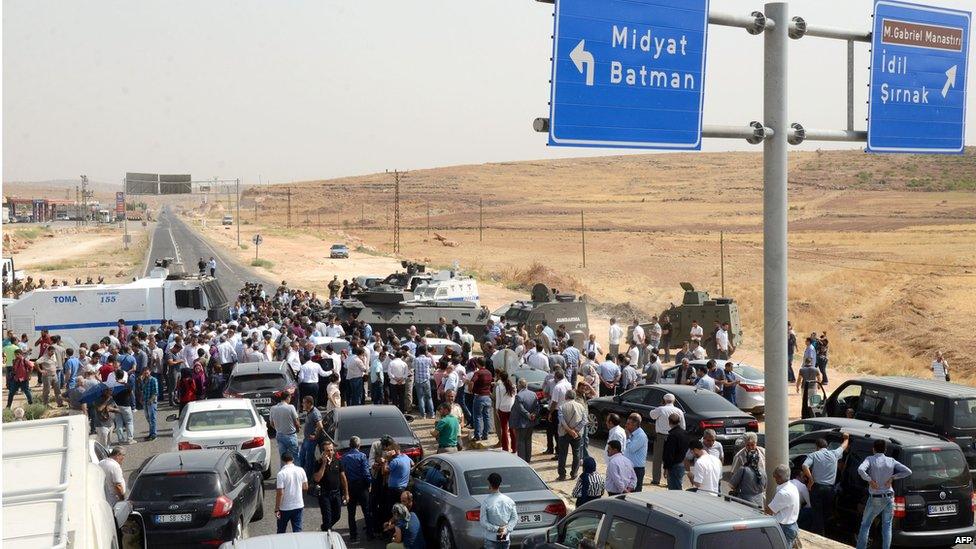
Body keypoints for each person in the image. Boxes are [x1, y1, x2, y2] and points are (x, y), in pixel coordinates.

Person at [855, 439, 912, 549]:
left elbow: (860, 469)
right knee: (887, 526)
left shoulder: (870, 459)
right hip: (889, 497)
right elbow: (908, 471)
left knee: (865, 525)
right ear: (885, 450)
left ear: (873, 449)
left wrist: (870, 480)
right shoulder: (891, 460)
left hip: (875, 497)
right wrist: (893, 477)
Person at [802, 433, 850, 535]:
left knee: (817, 514)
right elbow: (844, 446)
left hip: (817, 488)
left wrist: (810, 480)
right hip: (830, 490)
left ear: (817, 447)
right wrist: (846, 438)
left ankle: (818, 535)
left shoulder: (814, 455)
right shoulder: (834, 454)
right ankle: (828, 534)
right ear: (826, 446)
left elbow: (805, 466)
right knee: (827, 513)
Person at [341, 436, 374, 542]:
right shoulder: (362, 456)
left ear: (350, 445)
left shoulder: (344, 457)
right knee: (366, 510)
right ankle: (369, 533)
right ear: (359, 445)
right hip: (361, 486)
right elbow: (366, 472)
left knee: (351, 513)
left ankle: (353, 535)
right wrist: (369, 483)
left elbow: (343, 473)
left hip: (350, 486)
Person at [648, 393, 684, 485]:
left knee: (657, 458)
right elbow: (683, 426)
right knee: (672, 458)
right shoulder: (679, 411)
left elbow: (652, 415)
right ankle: (670, 480)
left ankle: (656, 479)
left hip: (661, 436)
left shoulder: (661, 409)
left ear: (663, 400)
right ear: (674, 401)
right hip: (674, 436)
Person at [313, 440, 349, 532]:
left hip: (336, 493)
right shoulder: (318, 463)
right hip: (324, 495)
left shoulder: (337, 461)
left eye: (331, 450)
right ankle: (327, 531)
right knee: (327, 518)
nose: (330, 452)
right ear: (323, 452)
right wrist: (324, 464)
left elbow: (343, 478)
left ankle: (325, 527)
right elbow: (317, 478)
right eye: (327, 450)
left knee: (337, 515)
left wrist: (346, 493)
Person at [479, 472, 518, 549]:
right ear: (500, 484)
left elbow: (483, 522)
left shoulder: (486, 502)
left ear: (489, 485)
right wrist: (506, 529)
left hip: (491, 538)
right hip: (505, 538)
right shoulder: (509, 500)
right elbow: (515, 518)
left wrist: (497, 529)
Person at [556, 390, 587, 481]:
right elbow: (584, 421)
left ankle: (562, 475)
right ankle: (574, 473)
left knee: (562, 454)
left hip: (564, 433)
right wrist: (575, 430)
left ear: (566, 397)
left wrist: (569, 430)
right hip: (577, 434)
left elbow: (562, 421)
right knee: (576, 454)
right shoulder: (581, 406)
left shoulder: (561, 407)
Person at [766, 464, 801, 546]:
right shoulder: (793, 487)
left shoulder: (783, 493)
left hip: (784, 528)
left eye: (775, 477)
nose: (774, 479)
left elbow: (769, 511)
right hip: (792, 525)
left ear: (779, 477)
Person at [275, 452, 308, 533]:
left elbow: (280, 493)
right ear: (293, 459)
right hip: (298, 505)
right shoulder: (301, 470)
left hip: (284, 508)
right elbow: (305, 487)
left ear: (282, 461)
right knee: (297, 530)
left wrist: (277, 508)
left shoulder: (281, 474)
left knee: (281, 531)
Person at [509, 378, 539, 462]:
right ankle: (528, 458)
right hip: (531, 422)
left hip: (522, 423)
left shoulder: (519, 396)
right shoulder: (533, 394)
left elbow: (520, 409)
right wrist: (533, 414)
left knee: (521, 441)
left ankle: (522, 460)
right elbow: (537, 407)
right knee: (528, 440)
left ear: (519, 386)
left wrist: (529, 415)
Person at [299, 395, 324, 485]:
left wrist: (316, 436)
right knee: (302, 457)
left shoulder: (315, 413)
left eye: (304, 402)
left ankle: (308, 480)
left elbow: (320, 426)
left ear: (309, 403)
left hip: (310, 440)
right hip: (306, 439)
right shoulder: (309, 411)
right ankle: (302, 476)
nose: (302, 404)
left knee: (309, 460)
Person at [270, 392, 301, 462]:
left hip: (279, 435)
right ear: (288, 397)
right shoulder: (291, 407)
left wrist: (278, 429)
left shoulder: (273, 408)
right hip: (291, 436)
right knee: (295, 457)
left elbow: (271, 423)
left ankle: (284, 471)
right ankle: (297, 472)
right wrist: (298, 429)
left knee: (283, 458)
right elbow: (296, 422)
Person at [469, 357, 494, 442]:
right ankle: (485, 434)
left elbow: (472, 382)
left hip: (479, 396)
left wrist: (470, 389)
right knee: (486, 416)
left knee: (478, 417)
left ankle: (477, 435)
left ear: (477, 364)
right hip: (487, 396)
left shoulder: (478, 373)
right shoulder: (489, 373)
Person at [662, 413, 689, 490]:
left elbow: (669, 454)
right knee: (678, 485)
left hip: (674, 466)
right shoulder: (685, 433)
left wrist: (666, 468)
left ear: (669, 421)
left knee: (674, 489)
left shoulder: (672, 435)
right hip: (682, 463)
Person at [622, 412, 648, 491]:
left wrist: (627, 438)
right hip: (628, 468)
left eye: (628, 424)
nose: (626, 425)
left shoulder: (641, 436)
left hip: (637, 469)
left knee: (635, 493)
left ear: (635, 425)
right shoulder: (631, 433)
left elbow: (631, 449)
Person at [494, 371, 516, 452]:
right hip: (511, 408)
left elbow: (498, 400)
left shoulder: (499, 387)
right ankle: (514, 448)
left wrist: (497, 409)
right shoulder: (513, 386)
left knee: (504, 429)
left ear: (500, 377)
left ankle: (505, 448)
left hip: (502, 409)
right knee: (512, 428)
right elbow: (514, 397)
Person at [140, 367, 158, 441]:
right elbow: (143, 390)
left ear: (150, 372)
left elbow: (155, 392)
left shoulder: (154, 380)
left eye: (147, 373)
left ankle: (154, 435)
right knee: (148, 418)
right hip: (145, 401)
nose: (146, 374)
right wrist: (141, 398)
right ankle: (151, 433)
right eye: (144, 373)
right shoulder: (143, 380)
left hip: (151, 402)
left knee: (152, 418)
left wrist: (150, 400)